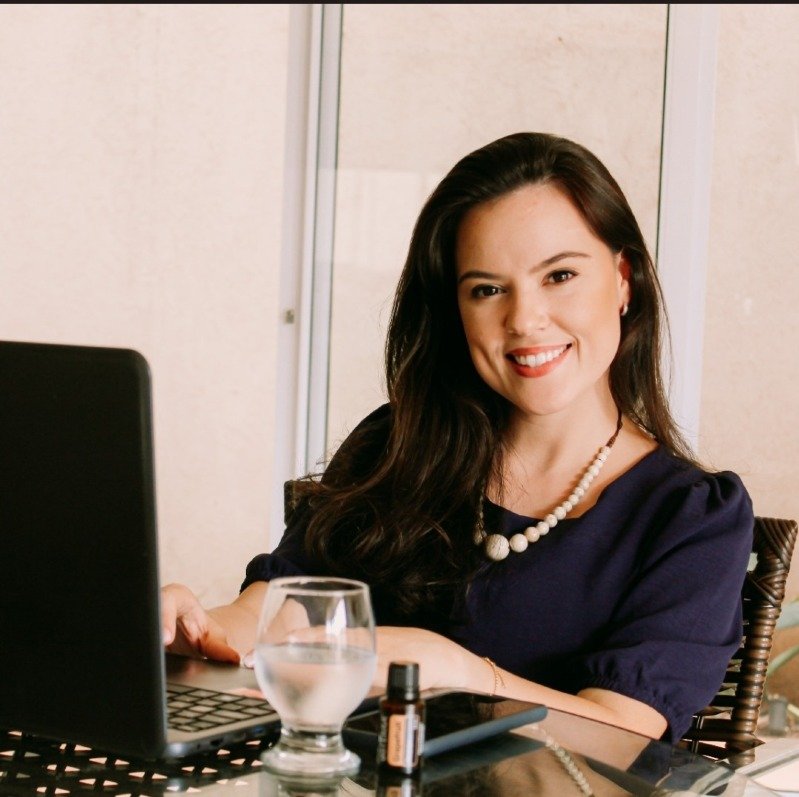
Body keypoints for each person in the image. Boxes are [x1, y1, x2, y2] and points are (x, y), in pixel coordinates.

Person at [162, 132, 753, 744]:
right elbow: (280, 614)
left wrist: (458, 674)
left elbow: (626, 735)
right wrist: (197, 628)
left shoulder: (693, 517)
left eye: (560, 275)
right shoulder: (398, 443)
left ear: (624, 279)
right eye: (487, 289)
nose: (524, 319)